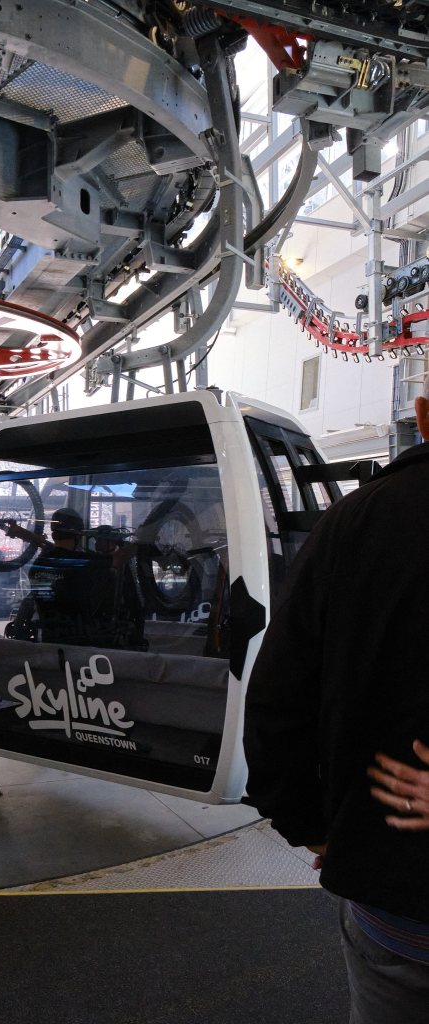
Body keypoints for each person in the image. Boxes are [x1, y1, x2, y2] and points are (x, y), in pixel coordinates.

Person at [243, 379, 429, 1023]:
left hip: (397, 894)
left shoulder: (356, 521)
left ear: (423, 415)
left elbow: (279, 699)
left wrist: (316, 825)